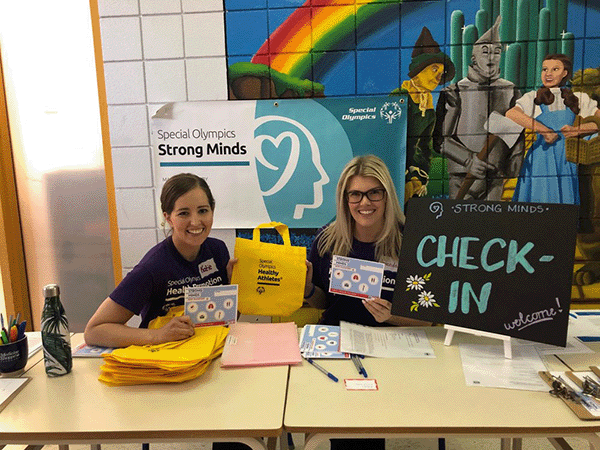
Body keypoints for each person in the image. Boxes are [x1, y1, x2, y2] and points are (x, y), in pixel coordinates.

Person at [84, 173, 246, 450]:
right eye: (184, 213)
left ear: (213, 212)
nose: (196, 222)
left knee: (240, 434)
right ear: (168, 218)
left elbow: (222, 317)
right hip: (168, 375)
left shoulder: (217, 250)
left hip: (210, 365)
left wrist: (237, 292)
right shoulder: (153, 268)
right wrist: (158, 336)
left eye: (203, 211)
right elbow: (94, 330)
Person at [303, 155, 429, 450]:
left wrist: (392, 316)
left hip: (391, 348)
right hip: (338, 344)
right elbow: (323, 302)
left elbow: (427, 318)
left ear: (387, 195)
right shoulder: (326, 240)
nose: (365, 202)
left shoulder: (410, 241)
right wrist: (308, 289)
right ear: (345, 199)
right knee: (347, 431)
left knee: (366, 430)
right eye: (355, 194)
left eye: (374, 192)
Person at [434, 15, 525, 200]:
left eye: (497, 52)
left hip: (496, 178)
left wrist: (516, 156)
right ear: (473, 57)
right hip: (463, 178)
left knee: (492, 227)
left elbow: (517, 130)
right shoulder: (455, 91)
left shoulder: (511, 91)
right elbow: (441, 140)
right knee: (460, 225)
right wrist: (468, 160)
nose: (491, 58)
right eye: (485, 52)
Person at [506, 53, 600, 204]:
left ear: (565, 73)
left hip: (566, 158)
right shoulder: (533, 97)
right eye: (545, 69)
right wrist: (544, 130)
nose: (548, 74)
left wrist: (577, 130)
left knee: (564, 202)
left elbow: (598, 120)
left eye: (555, 69)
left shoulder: (578, 98)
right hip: (540, 157)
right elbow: (512, 113)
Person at [390, 26, 455, 202]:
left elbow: (425, 147)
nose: (437, 77)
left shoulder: (428, 110)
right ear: (419, 69)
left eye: (440, 74)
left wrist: (418, 177)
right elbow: (389, 140)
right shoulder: (399, 98)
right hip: (391, 173)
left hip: (411, 176)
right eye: (434, 69)